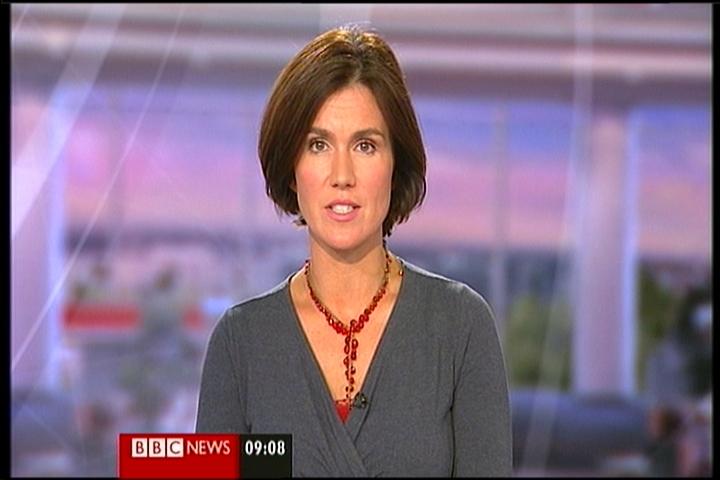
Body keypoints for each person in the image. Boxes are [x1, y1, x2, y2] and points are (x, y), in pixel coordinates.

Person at [196, 24, 512, 477]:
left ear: (395, 164)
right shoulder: (241, 343)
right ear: (291, 168)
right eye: (318, 145)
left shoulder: (460, 326)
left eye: (365, 145)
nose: (341, 175)